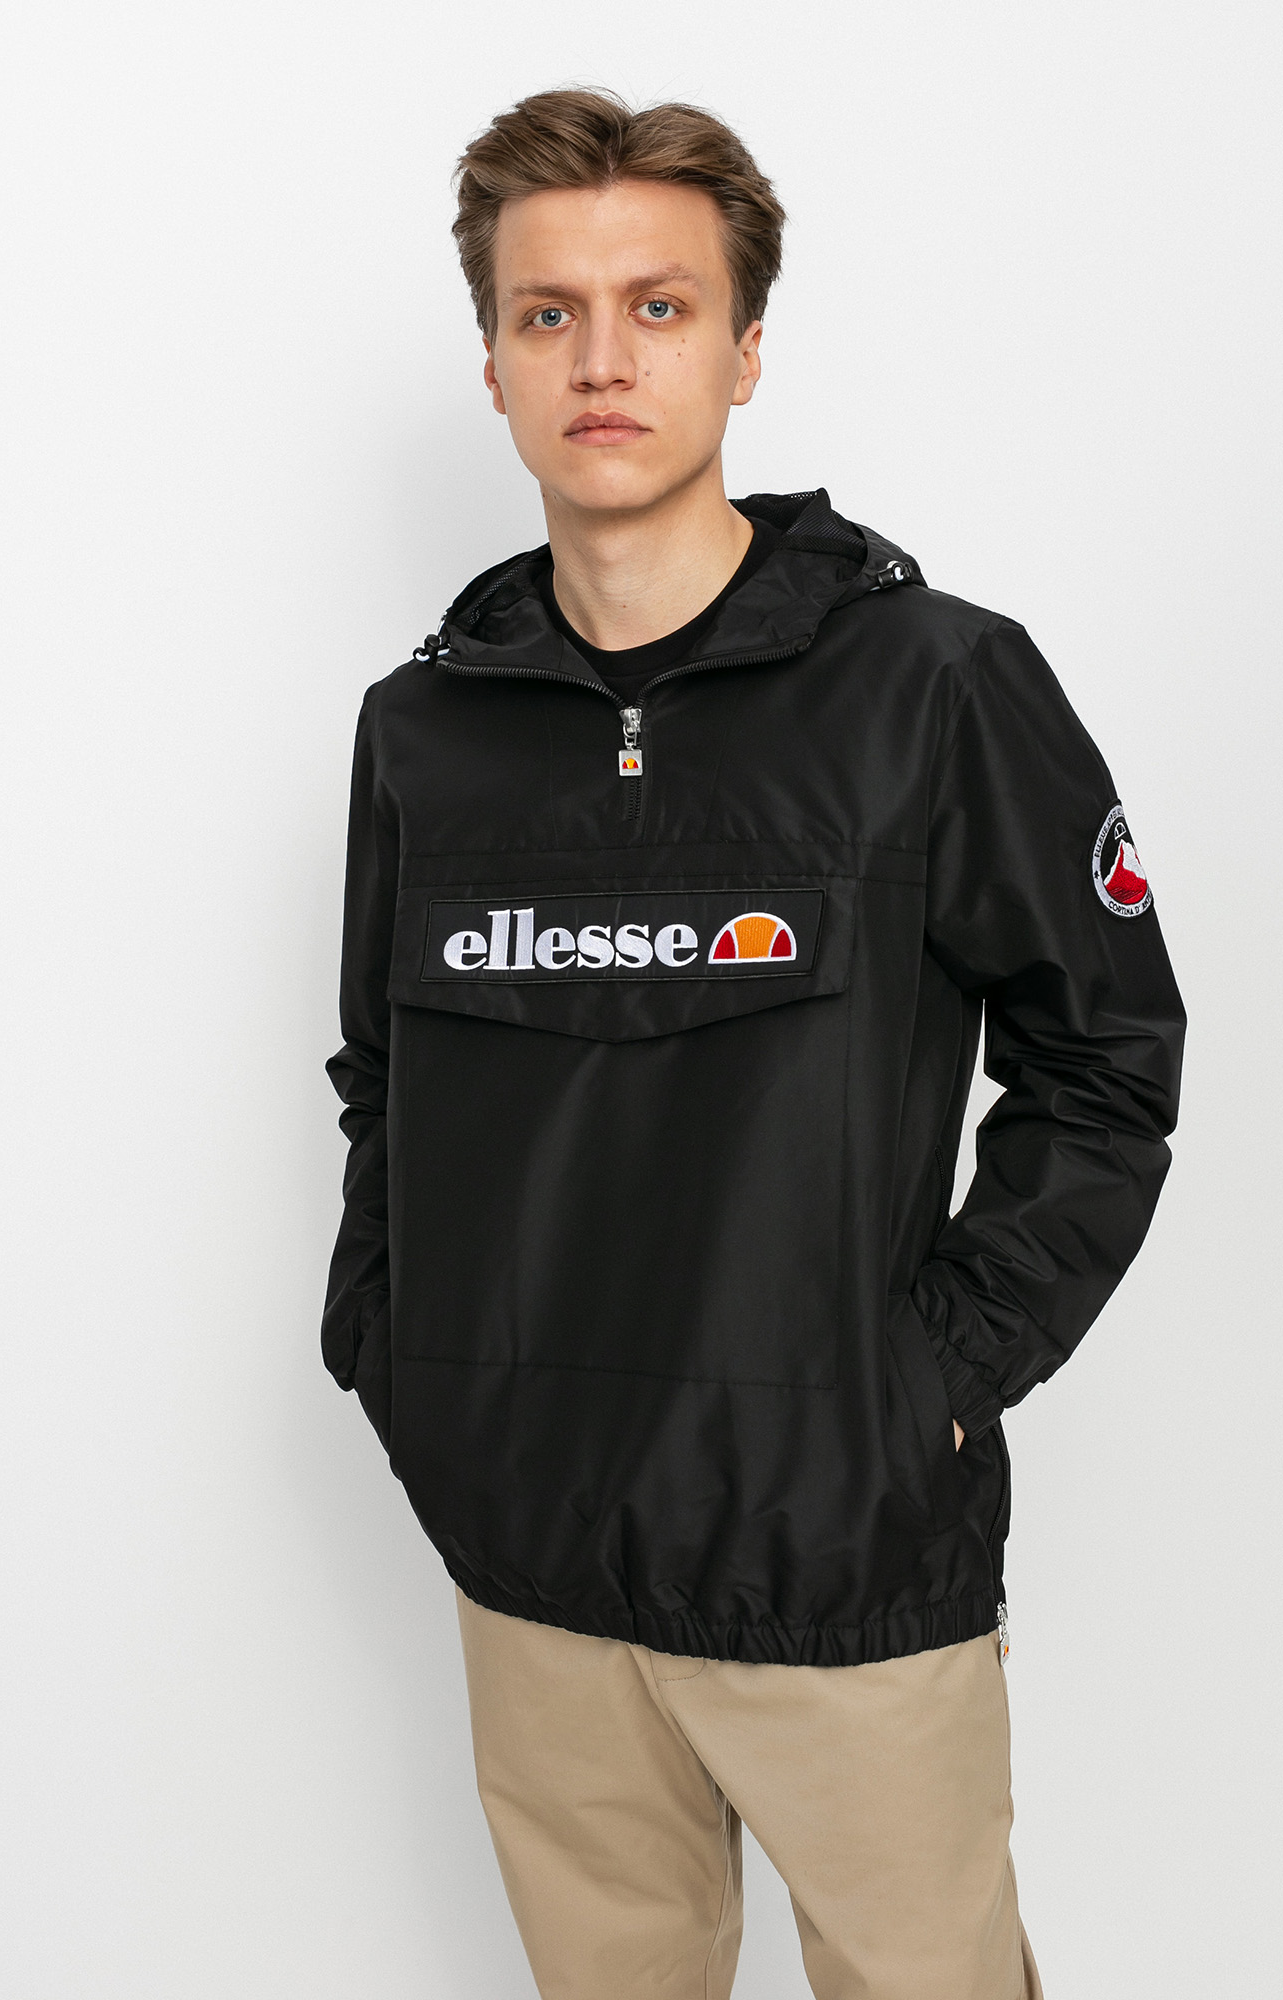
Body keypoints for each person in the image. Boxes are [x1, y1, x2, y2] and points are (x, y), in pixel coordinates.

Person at [320, 87, 1184, 2000]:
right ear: (492, 363)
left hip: (837, 1563)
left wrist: (932, 1375)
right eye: (549, 313)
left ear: (745, 348)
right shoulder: (424, 729)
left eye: (659, 305)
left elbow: (1107, 1056)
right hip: (529, 1569)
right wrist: (397, 1349)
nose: (601, 359)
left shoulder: (937, 686)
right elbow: (384, 1075)